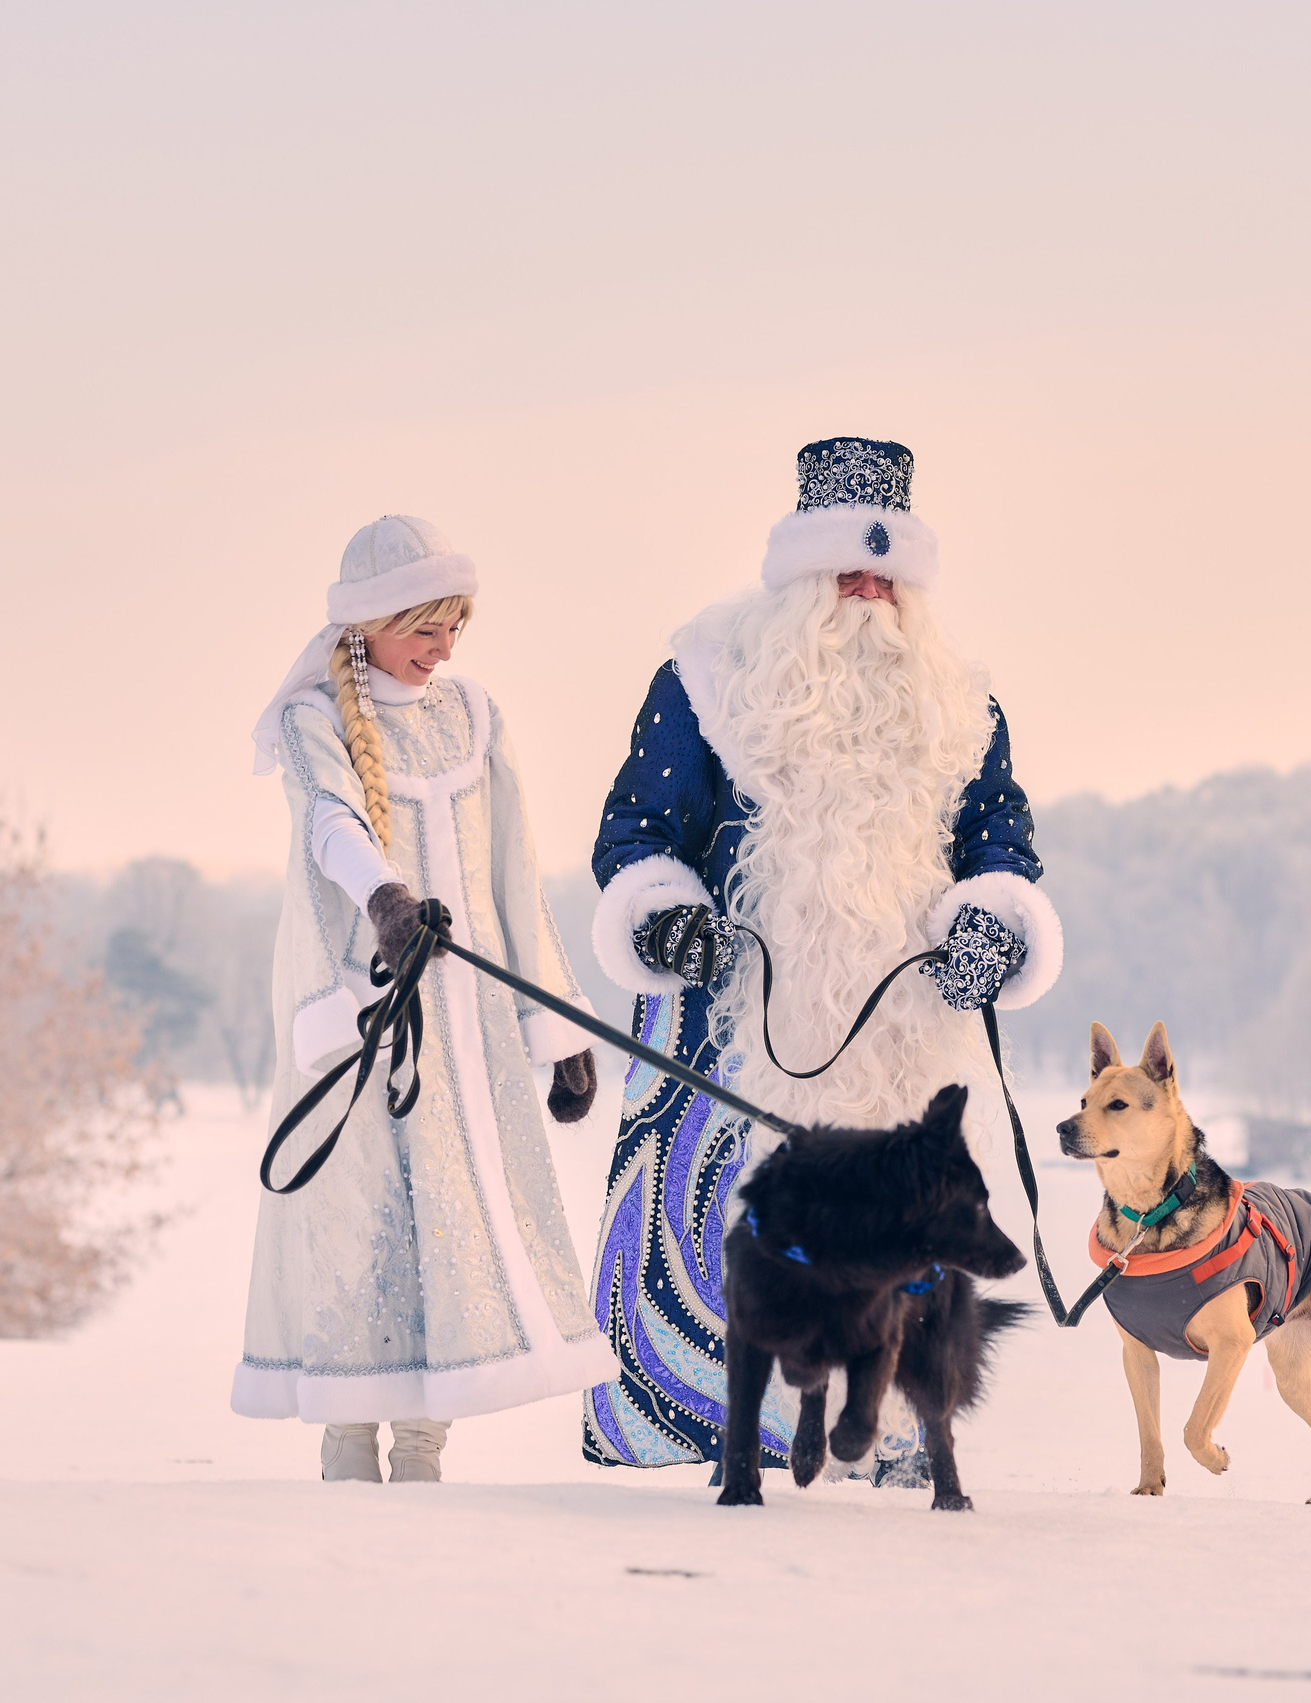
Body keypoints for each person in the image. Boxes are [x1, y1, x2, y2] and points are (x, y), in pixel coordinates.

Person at [580, 438, 1062, 1481]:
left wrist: (992, 918)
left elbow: (999, 840)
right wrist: (666, 914)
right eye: (847, 574)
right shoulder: (706, 681)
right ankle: (723, 1449)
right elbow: (637, 834)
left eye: (888, 578)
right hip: (738, 1025)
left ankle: (896, 1439)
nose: (868, 595)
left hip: (908, 1036)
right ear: (798, 575)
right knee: (736, 1236)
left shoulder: (962, 702)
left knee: (913, 1228)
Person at [232, 514, 616, 1482]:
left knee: (458, 1222)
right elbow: (330, 824)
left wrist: (558, 1022)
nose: (443, 649)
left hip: (469, 1030)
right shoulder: (313, 715)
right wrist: (386, 899)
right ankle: (346, 1442)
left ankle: (423, 1449)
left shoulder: (476, 716)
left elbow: (515, 867)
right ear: (371, 623)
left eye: (455, 628)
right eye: (426, 628)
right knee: (364, 1222)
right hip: (367, 1019)